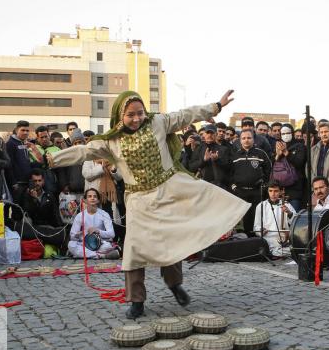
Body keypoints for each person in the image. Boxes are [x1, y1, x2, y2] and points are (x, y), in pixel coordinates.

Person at [48, 90, 248, 319]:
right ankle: (137, 300)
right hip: (138, 201)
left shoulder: (158, 123)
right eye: (130, 114)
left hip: (167, 191)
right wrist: (52, 159)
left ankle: (175, 285)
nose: (136, 118)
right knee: (133, 249)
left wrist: (215, 106)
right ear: (119, 116)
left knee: (170, 242)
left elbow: (185, 115)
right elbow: (83, 151)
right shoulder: (112, 141)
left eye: (140, 113)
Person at [67, 188, 119, 259]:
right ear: (85, 200)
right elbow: (72, 236)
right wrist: (77, 234)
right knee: (71, 245)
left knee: (107, 246)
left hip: (100, 243)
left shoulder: (104, 214)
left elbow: (112, 234)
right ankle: (100, 255)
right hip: (85, 244)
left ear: (98, 200)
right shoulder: (80, 215)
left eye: (95, 196)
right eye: (90, 196)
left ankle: (83, 254)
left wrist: (98, 231)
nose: (92, 198)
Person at [253, 181, 296, 258]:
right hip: (268, 239)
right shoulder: (261, 206)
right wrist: (261, 230)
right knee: (275, 251)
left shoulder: (287, 204)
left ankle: (279, 253)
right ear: (268, 191)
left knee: (292, 249)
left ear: (280, 192)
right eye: (270, 191)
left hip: (284, 240)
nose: (273, 194)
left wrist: (289, 213)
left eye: (276, 191)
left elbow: (296, 222)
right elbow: (256, 227)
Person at [188, 124, 230, 188]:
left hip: (219, 187)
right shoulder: (199, 148)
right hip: (201, 185)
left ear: (216, 134)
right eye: (208, 133)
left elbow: (228, 167)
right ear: (204, 134)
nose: (210, 135)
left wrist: (217, 160)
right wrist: (203, 161)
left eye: (212, 133)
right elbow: (191, 167)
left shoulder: (223, 149)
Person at [276, 124, 306, 211]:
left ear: (292, 133)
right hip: (281, 188)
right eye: (283, 134)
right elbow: (274, 165)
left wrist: (286, 152)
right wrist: (278, 154)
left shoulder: (299, 146)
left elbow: (299, 163)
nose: (285, 136)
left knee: (293, 215)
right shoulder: (278, 145)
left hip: (295, 188)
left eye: (288, 133)